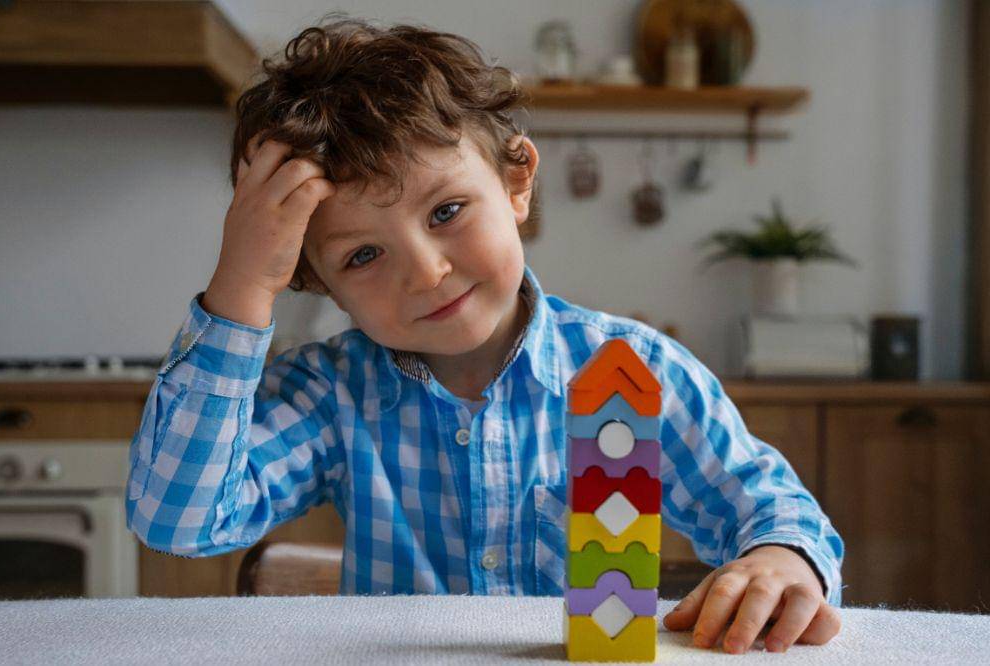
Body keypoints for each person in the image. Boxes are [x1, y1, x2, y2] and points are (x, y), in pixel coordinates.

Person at [124, 13, 843, 654]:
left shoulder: (637, 368)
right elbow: (178, 523)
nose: (428, 274)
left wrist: (783, 560)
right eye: (363, 256)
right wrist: (244, 285)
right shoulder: (330, 393)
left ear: (517, 181)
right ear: (315, 280)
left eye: (447, 212)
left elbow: (773, 509)